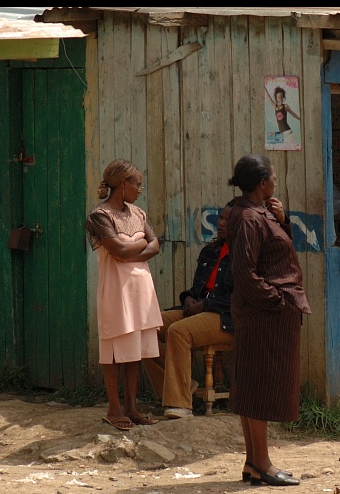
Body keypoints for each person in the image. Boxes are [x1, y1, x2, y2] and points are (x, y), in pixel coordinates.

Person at [226, 153, 311, 486]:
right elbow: (244, 272)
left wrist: (283, 219)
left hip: (264, 312)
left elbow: (274, 252)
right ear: (262, 183)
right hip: (264, 314)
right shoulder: (248, 217)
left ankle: (252, 462)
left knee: (253, 385)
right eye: (273, 177)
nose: (276, 182)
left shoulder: (259, 213)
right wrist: (275, 302)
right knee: (259, 387)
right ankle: (263, 463)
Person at [84, 159, 163, 431]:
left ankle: (131, 407)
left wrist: (133, 248)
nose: (140, 190)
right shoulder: (99, 216)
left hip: (141, 291)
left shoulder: (138, 213)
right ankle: (113, 409)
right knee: (114, 350)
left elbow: (155, 246)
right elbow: (119, 250)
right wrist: (140, 244)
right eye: (137, 184)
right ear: (123, 185)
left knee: (135, 351)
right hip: (116, 291)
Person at [142, 199, 236, 419]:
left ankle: (180, 404)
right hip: (201, 310)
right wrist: (189, 300)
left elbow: (240, 299)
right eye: (221, 217)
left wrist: (205, 305)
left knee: (179, 331)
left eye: (227, 220)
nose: (220, 223)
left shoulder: (246, 255)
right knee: (145, 327)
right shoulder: (211, 251)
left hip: (226, 317)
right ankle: (182, 386)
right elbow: (197, 288)